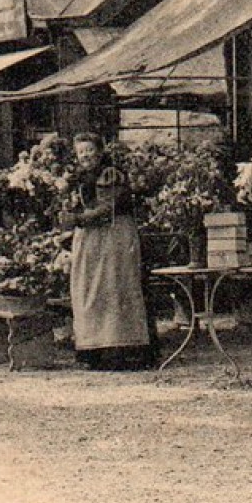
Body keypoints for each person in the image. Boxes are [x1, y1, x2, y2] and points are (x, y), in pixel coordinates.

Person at [59, 133, 156, 371]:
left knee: (112, 287)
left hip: (113, 237)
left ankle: (120, 349)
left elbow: (107, 207)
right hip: (91, 238)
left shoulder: (110, 174)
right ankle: (93, 348)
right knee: (89, 290)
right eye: (81, 152)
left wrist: (78, 218)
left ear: (100, 152)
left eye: (90, 150)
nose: (86, 156)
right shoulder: (81, 176)